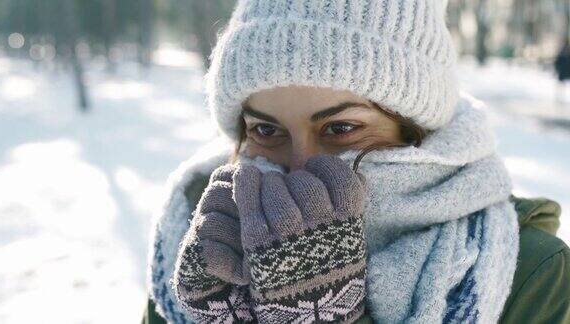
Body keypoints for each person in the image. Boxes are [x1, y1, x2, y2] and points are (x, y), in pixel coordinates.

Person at [144, 1, 570, 323]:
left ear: (414, 126)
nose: (300, 168)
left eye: (341, 128)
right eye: (267, 130)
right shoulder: (198, 234)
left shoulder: (528, 271)